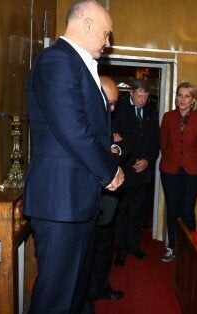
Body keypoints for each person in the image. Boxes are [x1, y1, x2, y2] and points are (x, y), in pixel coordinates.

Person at [23, 1, 124, 313]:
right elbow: (74, 129)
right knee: (56, 298)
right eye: (106, 34)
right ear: (88, 24)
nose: (108, 43)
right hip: (60, 199)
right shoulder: (57, 60)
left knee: (76, 292)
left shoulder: (75, 64)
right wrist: (110, 171)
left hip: (76, 199)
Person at [81, 76, 128, 313]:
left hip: (107, 201)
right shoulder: (80, 118)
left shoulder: (111, 117)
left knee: (103, 250)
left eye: (114, 104)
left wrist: (115, 148)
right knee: (84, 256)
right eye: (109, 102)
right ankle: (86, 297)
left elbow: (122, 145)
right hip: (85, 202)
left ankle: (101, 287)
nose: (112, 108)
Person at [159, 82, 197, 261]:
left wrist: (190, 160)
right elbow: (163, 142)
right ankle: (172, 246)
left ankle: (190, 249)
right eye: (180, 95)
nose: (182, 99)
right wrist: (173, 158)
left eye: (187, 96)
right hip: (170, 169)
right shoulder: (168, 117)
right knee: (172, 209)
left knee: (188, 210)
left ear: (193, 100)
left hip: (192, 171)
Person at [112, 78, 160, 266]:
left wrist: (147, 161)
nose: (142, 100)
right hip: (125, 169)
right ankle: (121, 250)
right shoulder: (118, 110)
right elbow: (117, 142)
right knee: (122, 211)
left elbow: (155, 141)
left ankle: (134, 245)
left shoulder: (150, 111)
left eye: (145, 97)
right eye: (139, 96)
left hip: (143, 171)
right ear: (131, 93)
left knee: (137, 212)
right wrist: (133, 161)